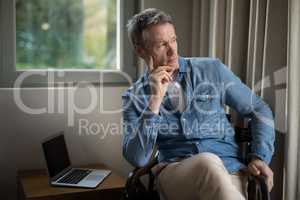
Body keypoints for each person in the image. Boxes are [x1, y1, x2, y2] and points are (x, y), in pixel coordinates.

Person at [122, 8, 275, 200]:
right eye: (162, 44)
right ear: (140, 50)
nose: (172, 51)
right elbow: (137, 158)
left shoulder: (212, 70)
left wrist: (259, 156)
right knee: (207, 163)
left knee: (214, 171)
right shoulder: (133, 96)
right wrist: (154, 100)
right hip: (176, 175)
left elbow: (259, 109)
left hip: (232, 173)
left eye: (174, 40)